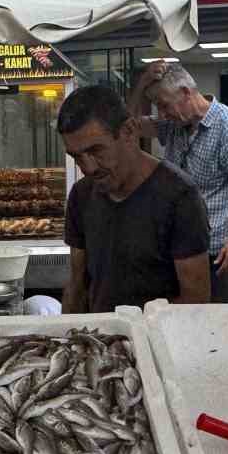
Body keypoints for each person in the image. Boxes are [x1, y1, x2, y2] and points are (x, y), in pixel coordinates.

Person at [56, 85, 211, 313]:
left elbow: (195, 301)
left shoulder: (180, 197)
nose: (87, 167)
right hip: (99, 342)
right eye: (76, 156)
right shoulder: (82, 195)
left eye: (96, 150)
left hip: (157, 341)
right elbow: (77, 285)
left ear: (129, 131)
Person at [128, 63, 228, 302]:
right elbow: (129, 127)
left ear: (186, 92)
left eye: (165, 105)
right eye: (159, 108)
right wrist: (140, 85)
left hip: (209, 252)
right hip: (170, 248)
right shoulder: (173, 125)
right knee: (170, 320)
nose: (163, 113)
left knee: (210, 325)